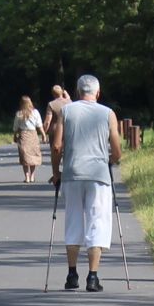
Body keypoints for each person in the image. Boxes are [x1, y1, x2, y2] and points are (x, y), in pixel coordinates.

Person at [50, 74, 121, 292]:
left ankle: (72, 275)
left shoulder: (66, 111)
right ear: (97, 93)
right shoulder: (108, 113)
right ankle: (93, 277)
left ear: (78, 91)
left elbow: (56, 146)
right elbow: (116, 151)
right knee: (97, 222)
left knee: (73, 222)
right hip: (99, 175)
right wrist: (111, 160)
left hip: (72, 173)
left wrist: (56, 172)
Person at [12, 95, 45, 183]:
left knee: (25, 156)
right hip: (33, 134)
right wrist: (43, 135)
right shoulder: (35, 112)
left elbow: (16, 127)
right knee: (33, 155)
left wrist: (15, 135)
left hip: (23, 135)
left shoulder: (19, 113)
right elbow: (39, 125)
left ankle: (27, 176)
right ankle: (32, 176)